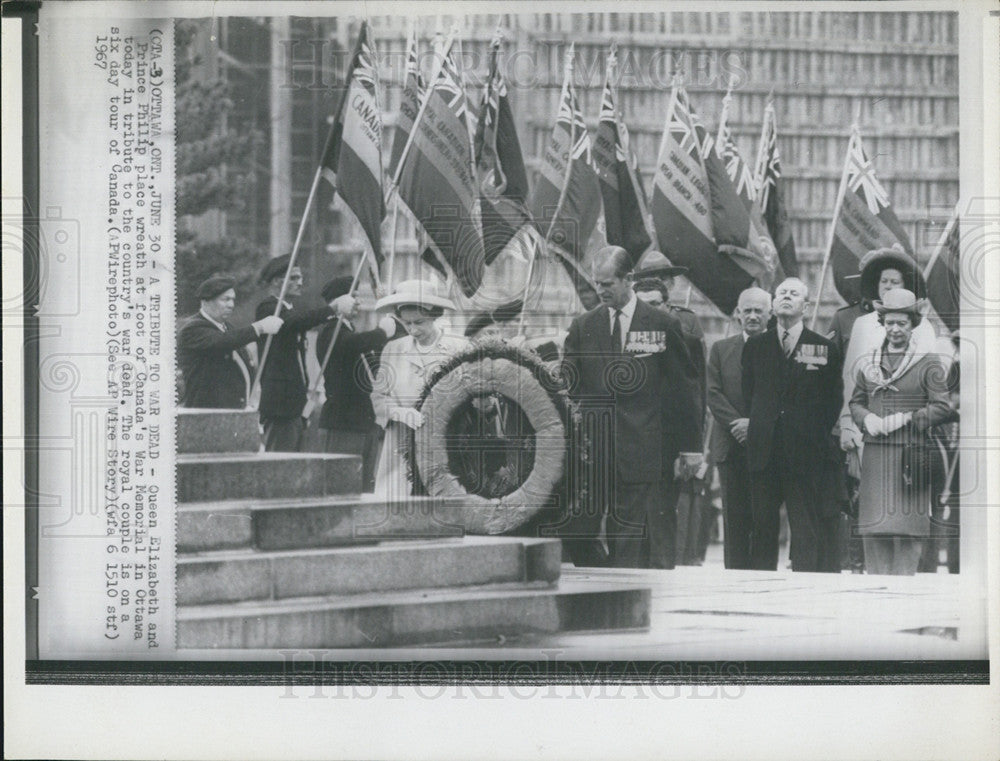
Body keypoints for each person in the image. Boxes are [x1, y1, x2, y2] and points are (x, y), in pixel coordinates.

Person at [561, 246, 703, 569]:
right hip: (592, 453)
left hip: (640, 449)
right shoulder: (583, 327)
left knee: (627, 538)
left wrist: (691, 448)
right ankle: (603, 579)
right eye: (597, 284)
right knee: (578, 531)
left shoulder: (661, 324)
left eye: (607, 284)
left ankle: (619, 601)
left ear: (628, 281)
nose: (600, 291)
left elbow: (685, 388)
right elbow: (568, 387)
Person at [742, 277, 843, 572]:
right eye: (781, 293)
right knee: (762, 528)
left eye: (794, 294)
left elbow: (832, 400)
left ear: (805, 305)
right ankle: (759, 590)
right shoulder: (756, 347)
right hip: (764, 452)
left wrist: (810, 433)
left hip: (805, 453)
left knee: (805, 528)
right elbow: (751, 394)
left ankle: (806, 592)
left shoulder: (823, 348)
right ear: (773, 305)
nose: (786, 297)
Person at [849, 289, 952, 575]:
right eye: (890, 322)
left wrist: (908, 418)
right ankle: (877, 601)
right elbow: (855, 402)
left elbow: (942, 407)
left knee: (906, 535)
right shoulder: (869, 361)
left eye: (902, 323)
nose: (895, 329)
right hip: (876, 456)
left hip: (910, 457)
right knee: (875, 531)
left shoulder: (928, 361)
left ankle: (905, 603)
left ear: (913, 324)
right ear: (882, 322)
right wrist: (866, 418)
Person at [370, 279, 467, 500]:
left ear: (435, 315)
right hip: (400, 444)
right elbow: (378, 396)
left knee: (443, 505)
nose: (413, 330)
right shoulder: (393, 349)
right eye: (407, 324)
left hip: (445, 442)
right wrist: (398, 413)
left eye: (419, 322)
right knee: (399, 504)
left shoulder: (459, 348)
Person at [255, 255, 354, 452]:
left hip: (294, 404)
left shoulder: (289, 309)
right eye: (293, 278)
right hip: (280, 406)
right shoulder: (269, 307)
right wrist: (332, 308)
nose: (300, 282)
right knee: (280, 463)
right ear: (277, 282)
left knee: (293, 463)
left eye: (300, 277)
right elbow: (294, 322)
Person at [315, 276, 399, 493]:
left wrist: (385, 338)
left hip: (362, 421)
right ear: (338, 301)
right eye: (353, 297)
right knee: (341, 488)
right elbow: (351, 345)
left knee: (363, 487)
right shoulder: (331, 330)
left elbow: (370, 363)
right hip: (343, 423)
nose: (358, 303)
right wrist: (381, 332)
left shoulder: (348, 330)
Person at [707, 286, 771, 570]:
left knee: (764, 520)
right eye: (748, 311)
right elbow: (712, 393)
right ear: (738, 314)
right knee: (734, 522)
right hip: (731, 448)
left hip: (767, 448)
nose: (753, 316)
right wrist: (738, 425)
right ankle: (734, 584)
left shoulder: (780, 350)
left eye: (759, 311)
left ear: (769, 315)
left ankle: (765, 587)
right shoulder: (721, 350)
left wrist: (755, 426)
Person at [177, 276, 283, 409]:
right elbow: (222, 341)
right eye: (225, 299)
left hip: (233, 410)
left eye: (233, 299)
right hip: (206, 412)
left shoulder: (228, 328)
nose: (231, 305)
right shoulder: (192, 329)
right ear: (206, 301)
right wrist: (259, 327)